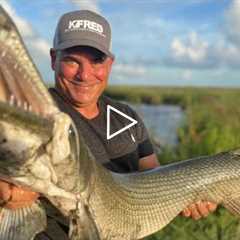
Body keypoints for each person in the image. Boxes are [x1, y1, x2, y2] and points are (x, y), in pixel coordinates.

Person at [0, 9, 217, 238]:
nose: (84, 75)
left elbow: (154, 177)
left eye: (96, 61)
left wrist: (190, 194)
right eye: (73, 61)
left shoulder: (127, 118)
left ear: (110, 64)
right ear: (54, 60)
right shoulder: (34, 115)